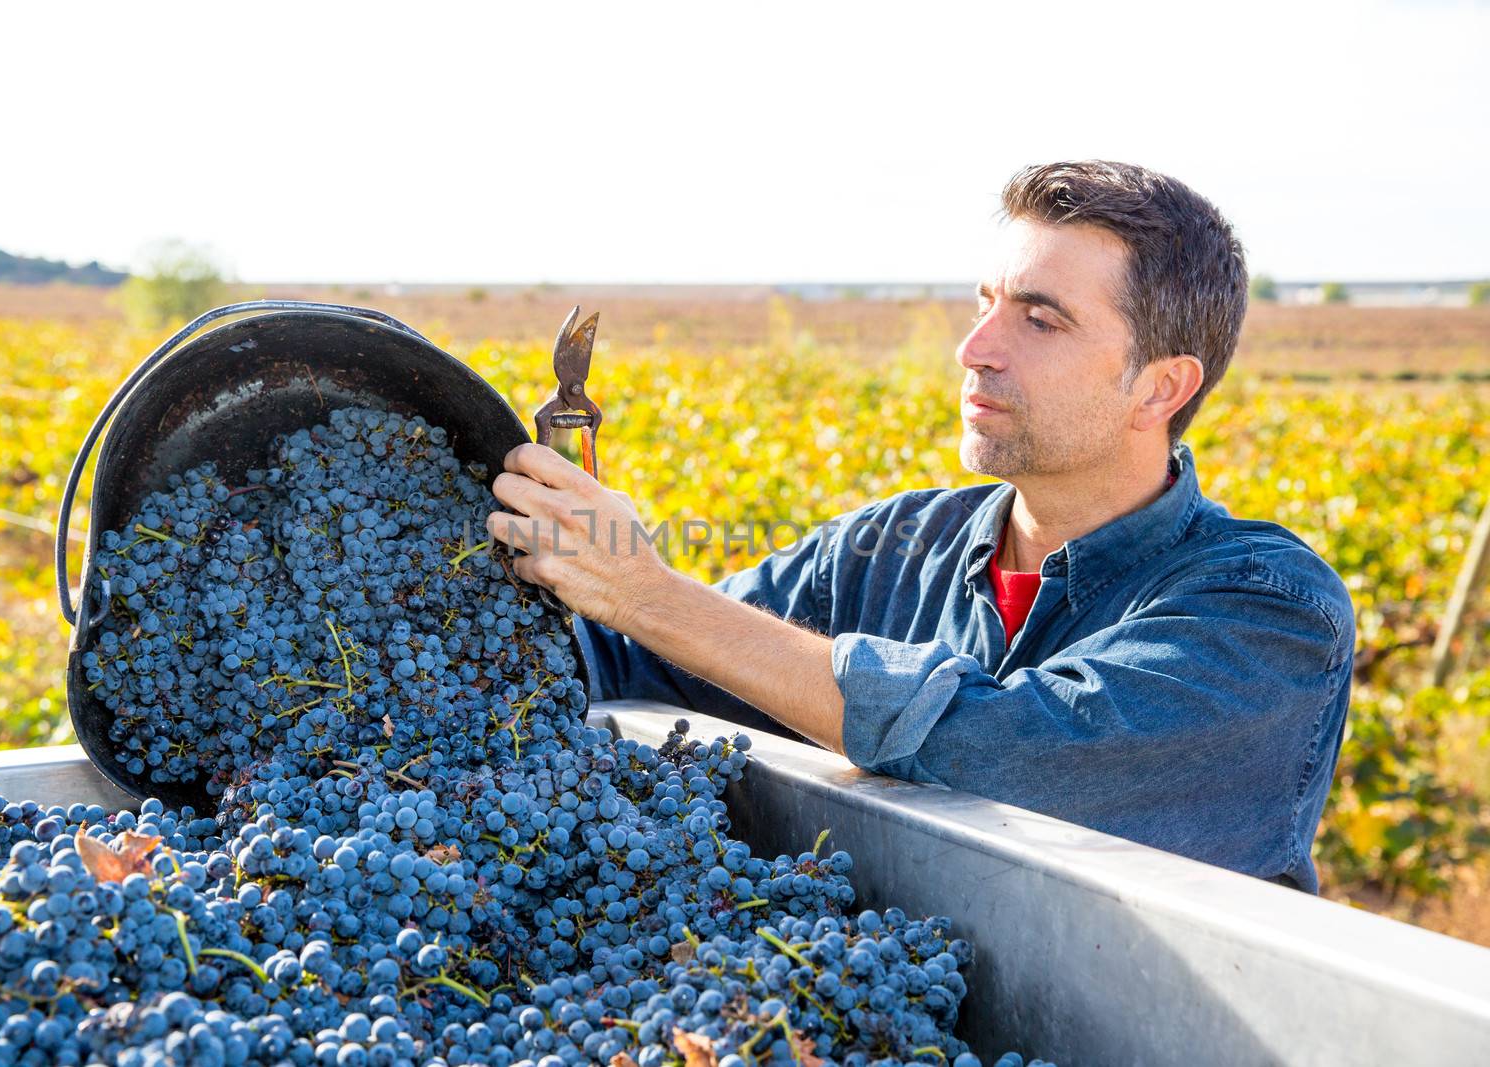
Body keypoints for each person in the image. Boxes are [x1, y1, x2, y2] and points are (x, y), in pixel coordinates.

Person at [485, 160, 1355, 893]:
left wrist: (650, 592)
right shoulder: (886, 550)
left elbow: (1008, 753)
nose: (975, 346)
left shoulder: (1269, 612)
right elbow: (631, 663)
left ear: (1160, 388)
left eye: (1039, 318)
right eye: (986, 302)